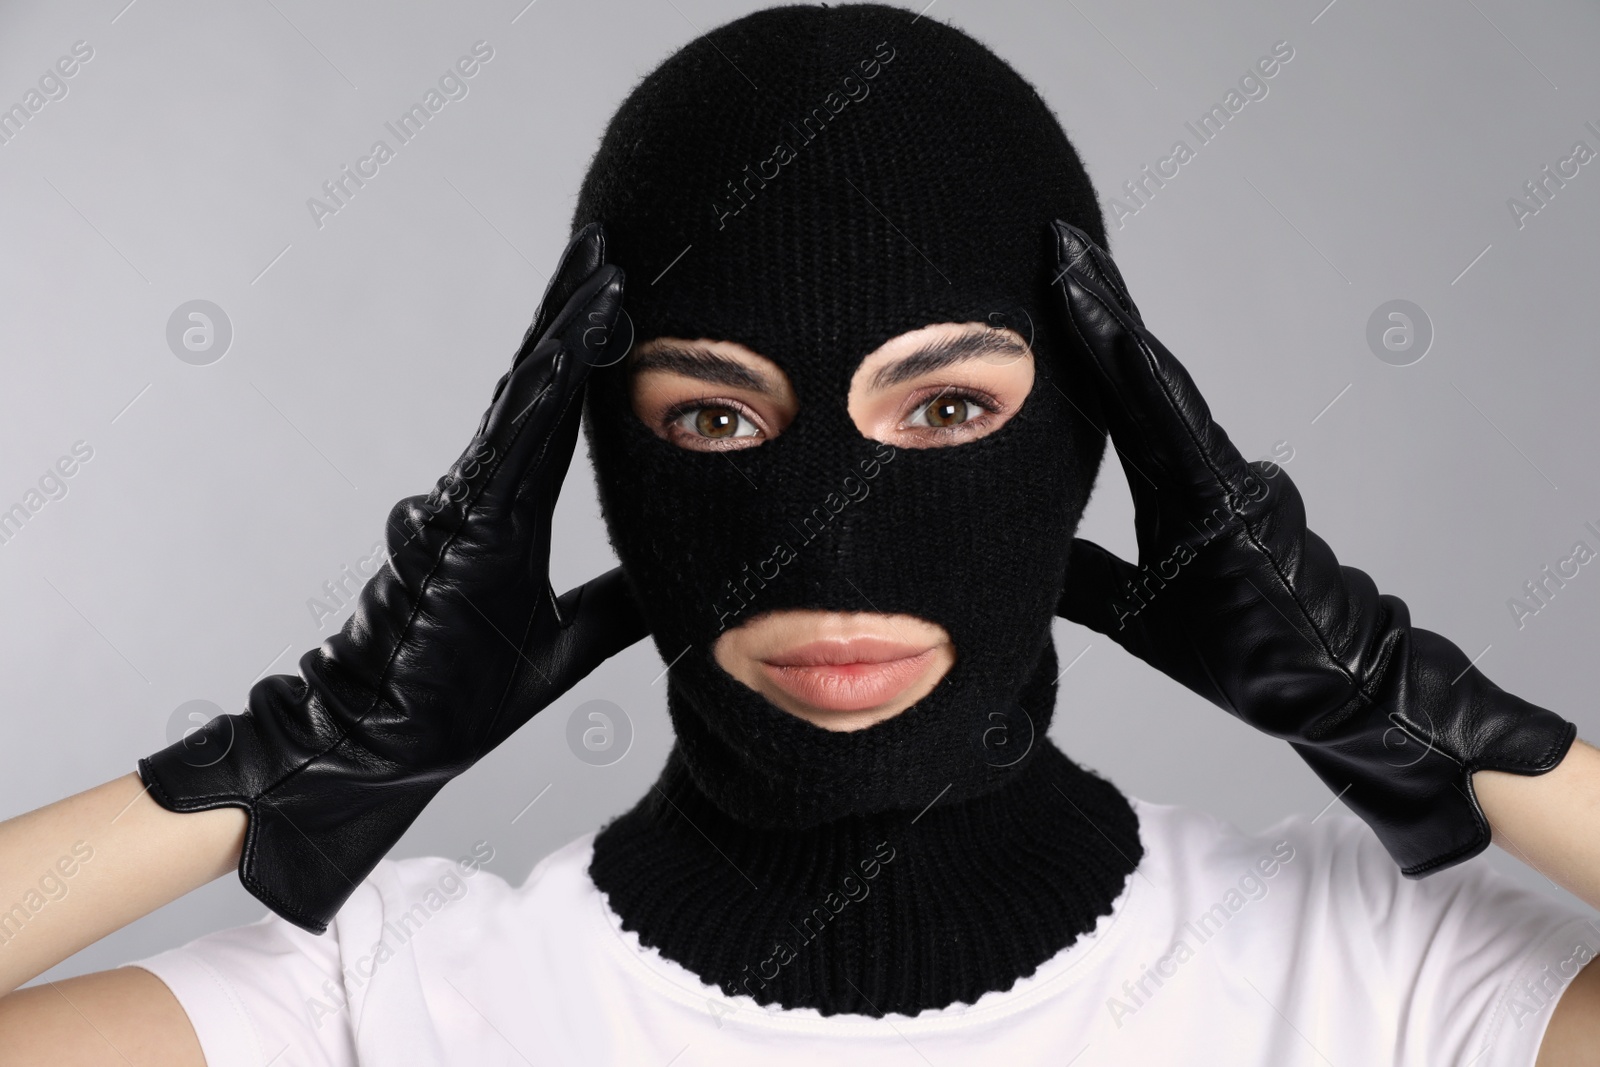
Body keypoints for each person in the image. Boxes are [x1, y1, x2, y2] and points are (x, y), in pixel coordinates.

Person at [2, 4, 1598, 1064]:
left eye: (951, 409)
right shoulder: (390, 1006)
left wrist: (1420, 722)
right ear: (584, 455)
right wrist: (301, 761)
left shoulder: (1379, 982)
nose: (831, 536)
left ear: (1101, 432)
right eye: (714, 418)